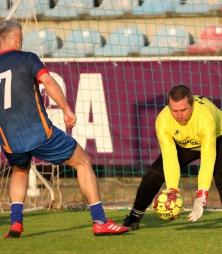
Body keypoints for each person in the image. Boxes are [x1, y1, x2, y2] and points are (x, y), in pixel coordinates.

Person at [0, 19, 129, 238]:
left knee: (20, 170)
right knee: (82, 161)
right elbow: (48, 82)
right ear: (17, 37)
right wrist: (67, 110)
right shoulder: (27, 58)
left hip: (9, 138)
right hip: (39, 132)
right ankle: (100, 221)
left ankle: (15, 223)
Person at [123, 84, 222, 231]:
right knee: (153, 174)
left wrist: (201, 196)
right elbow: (169, 157)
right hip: (186, 142)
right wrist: (172, 190)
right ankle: (133, 218)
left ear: (192, 105)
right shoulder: (163, 120)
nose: (179, 115)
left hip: (219, 135)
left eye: (183, 110)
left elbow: (207, 158)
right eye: (174, 110)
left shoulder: (205, 118)